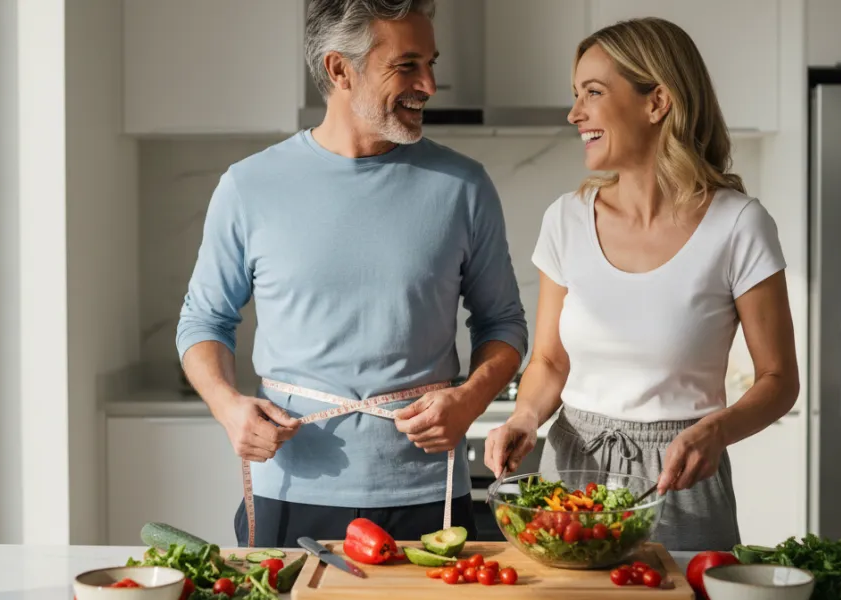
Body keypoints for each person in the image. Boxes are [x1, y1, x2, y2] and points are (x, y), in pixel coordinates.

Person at [177, 0, 528, 548]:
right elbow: (203, 320)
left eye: (431, 63)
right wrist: (227, 406)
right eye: (407, 66)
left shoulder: (464, 187)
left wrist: (470, 399)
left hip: (426, 492)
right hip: (289, 488)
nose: (429, 85)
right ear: (340, 69)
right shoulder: (249, 186)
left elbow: (503, 323)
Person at [484, 17, 799, 552]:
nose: (574, 113)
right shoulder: (566, 220)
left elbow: (779, 379)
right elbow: (550, 362)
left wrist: (717, 430)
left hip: (682, 479)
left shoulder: (738, 224)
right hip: (572, 474)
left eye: (593, 92)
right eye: (576, 94)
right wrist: (524, 416)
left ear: (657, 102)